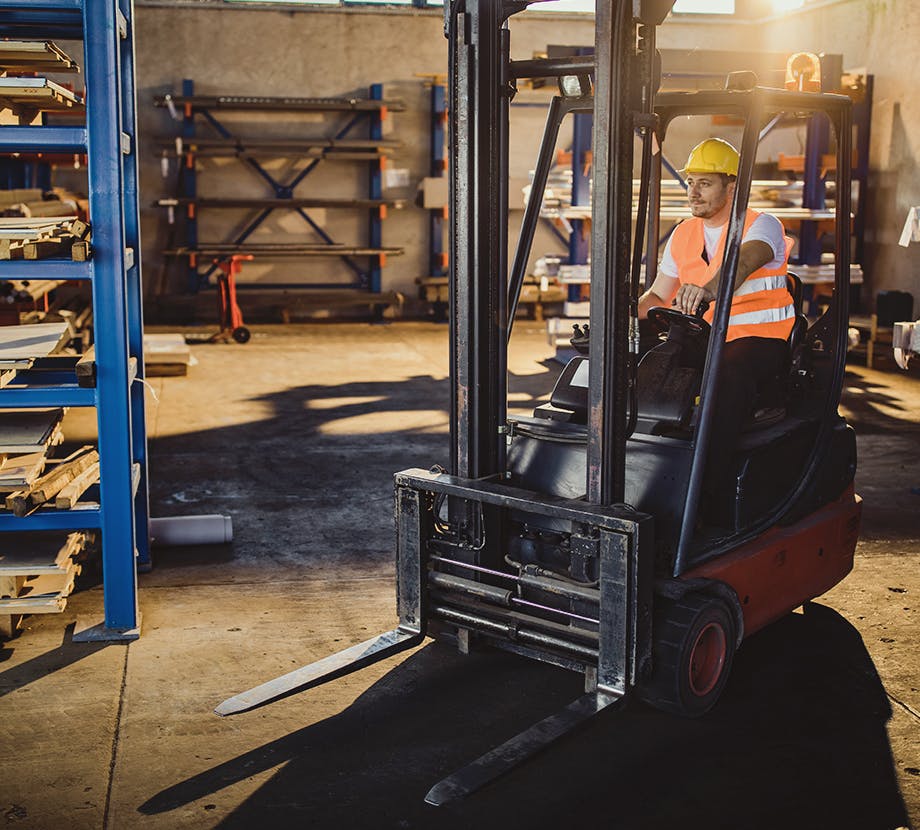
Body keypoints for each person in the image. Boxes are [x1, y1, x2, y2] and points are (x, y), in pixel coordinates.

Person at [637, 137, 796, 519]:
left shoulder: (763, 226)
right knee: (641, 363)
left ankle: (706, 499)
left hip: (762, 344)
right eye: (690, 182)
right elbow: (658, 295)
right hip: (707, 338)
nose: (693, 191)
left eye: (704, 183)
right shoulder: (683, 233)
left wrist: (706, 290)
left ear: (732, 187)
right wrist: (621, 319)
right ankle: (639, 475)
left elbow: (741, 265)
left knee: (724, 377)